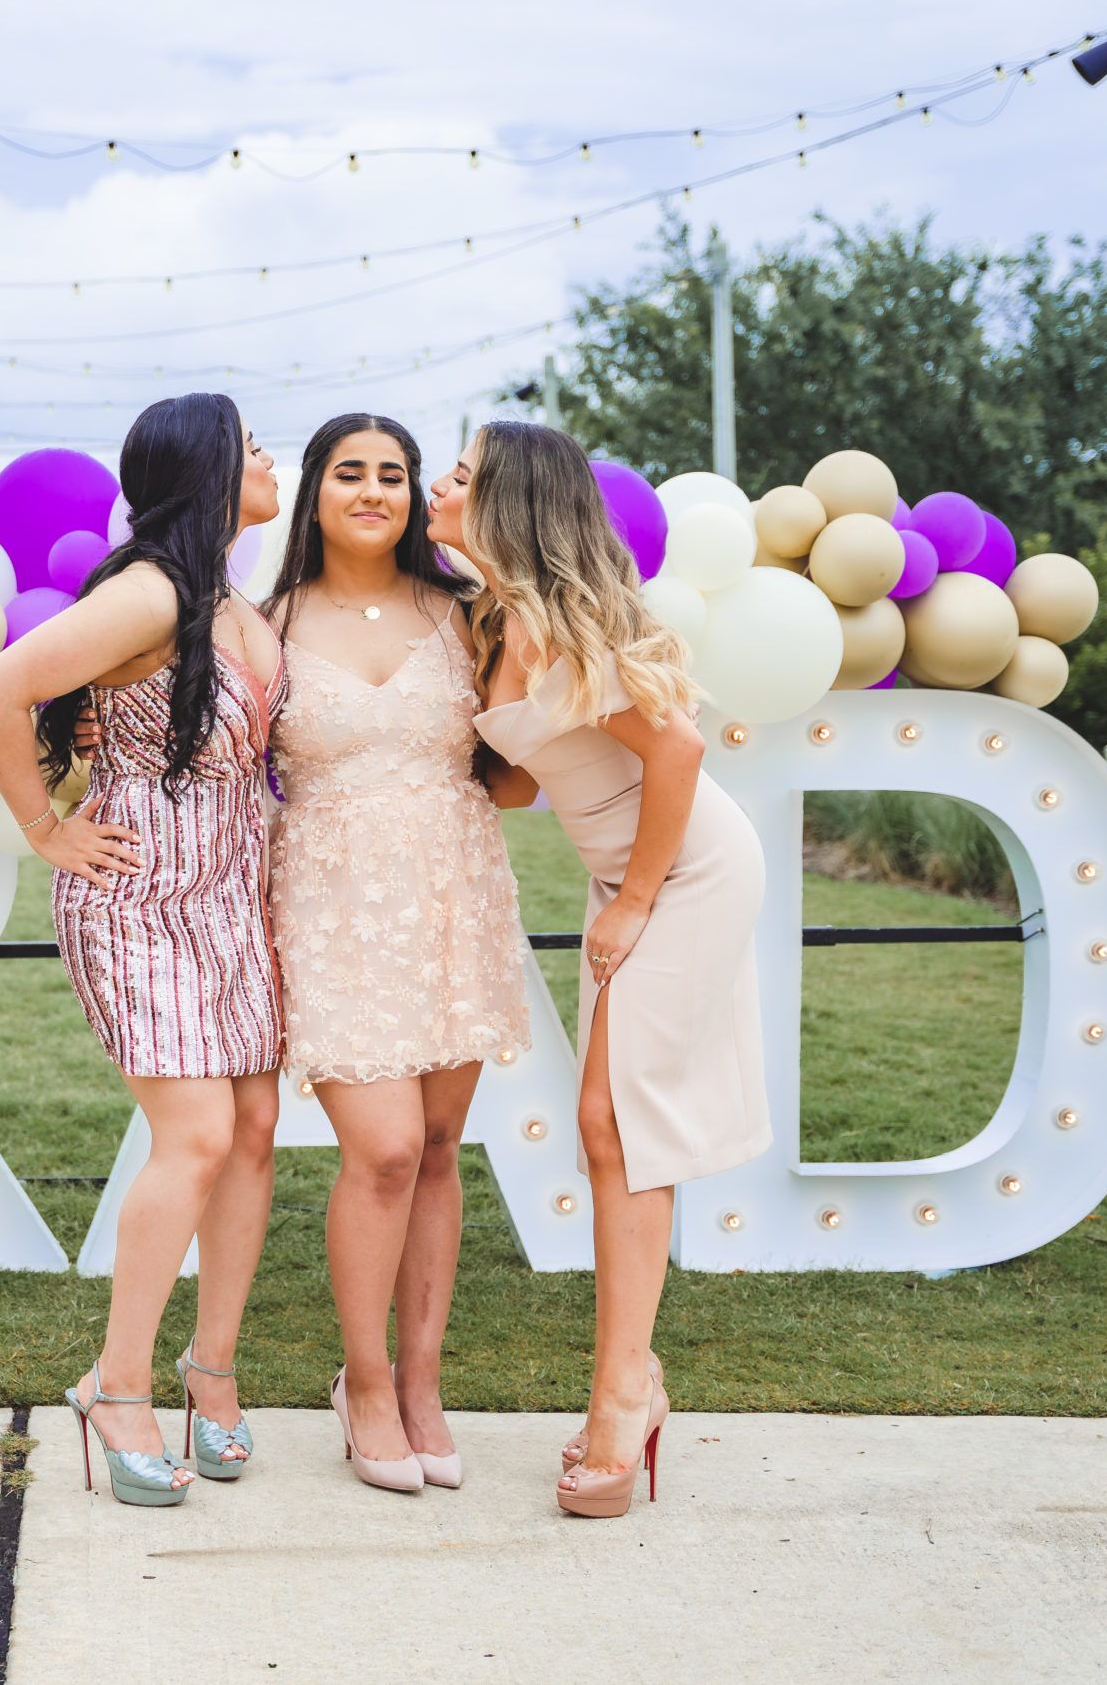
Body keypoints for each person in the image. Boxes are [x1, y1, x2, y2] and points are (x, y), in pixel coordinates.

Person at [435, 421, 770, 1520]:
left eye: (463, 474)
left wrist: (632, 900)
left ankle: (624, 1394)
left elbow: (677, 751)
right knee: (613, 1122)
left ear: (508, 503)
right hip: (621, 872)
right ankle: (633, 1383)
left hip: (681, 872)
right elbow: (530, 781)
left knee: (613, 1118)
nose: (440, 483)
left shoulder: (551, 629)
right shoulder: (494, 622)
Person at [0, 393, 286, 1507]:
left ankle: (213, 1374)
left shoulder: (232, 600)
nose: (272, 460)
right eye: (254, 448)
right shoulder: (150, 589)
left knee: (252, 1132)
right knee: (196, 1136)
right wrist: (47, 831)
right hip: (140, 896)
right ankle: (118, 1386)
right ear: (207, 469)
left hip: (232, 899)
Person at [259, 412, 531, 1493]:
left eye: (393, 474)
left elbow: (513, 778)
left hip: (452, 889)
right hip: (326, 896)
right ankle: (362, 1382)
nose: (372, 489)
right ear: (314, 492)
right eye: (348, 472)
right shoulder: (262, 621)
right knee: (379, 1148)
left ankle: (423, 1383)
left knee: (436, 1145)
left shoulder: (468, 614)